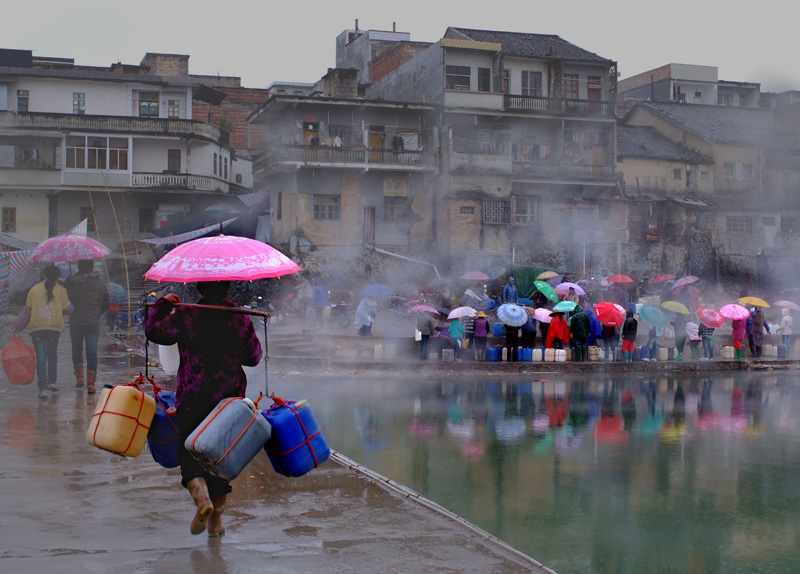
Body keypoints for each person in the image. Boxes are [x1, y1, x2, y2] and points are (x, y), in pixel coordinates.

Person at [146, 281, 262, 537]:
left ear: (200, 290)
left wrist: (162, 306)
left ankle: (201, 497)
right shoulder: (239, 319)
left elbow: (155, 332)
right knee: (221, 460)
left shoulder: (186, 315)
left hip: (193, 395)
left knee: (190, 453)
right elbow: (253, 357)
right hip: (229, 400)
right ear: (227, 290)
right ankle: (216, 522)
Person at [14, 265, 73, 399]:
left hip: (37, 328)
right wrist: (72, 301)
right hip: (54, 327)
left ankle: (43, 389)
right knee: (52, 354)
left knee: (41, 357)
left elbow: (27, 311)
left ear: (44, 275)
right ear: (58, 277)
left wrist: (18, 327)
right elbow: (68, 310)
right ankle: (52, 381)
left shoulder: (34, 289)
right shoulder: (61, 290)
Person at [64, 259, 109, 394]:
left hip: (76, 321)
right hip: (93, 321)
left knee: (77, 350)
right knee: (92, 352)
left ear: (78, 266)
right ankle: (91, 384)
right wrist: (97, 312)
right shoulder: (100, 283)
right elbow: (106, 302)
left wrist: (69, 281)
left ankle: (79, 378)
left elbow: (66, 299)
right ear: (92, 267)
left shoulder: (72, 282)